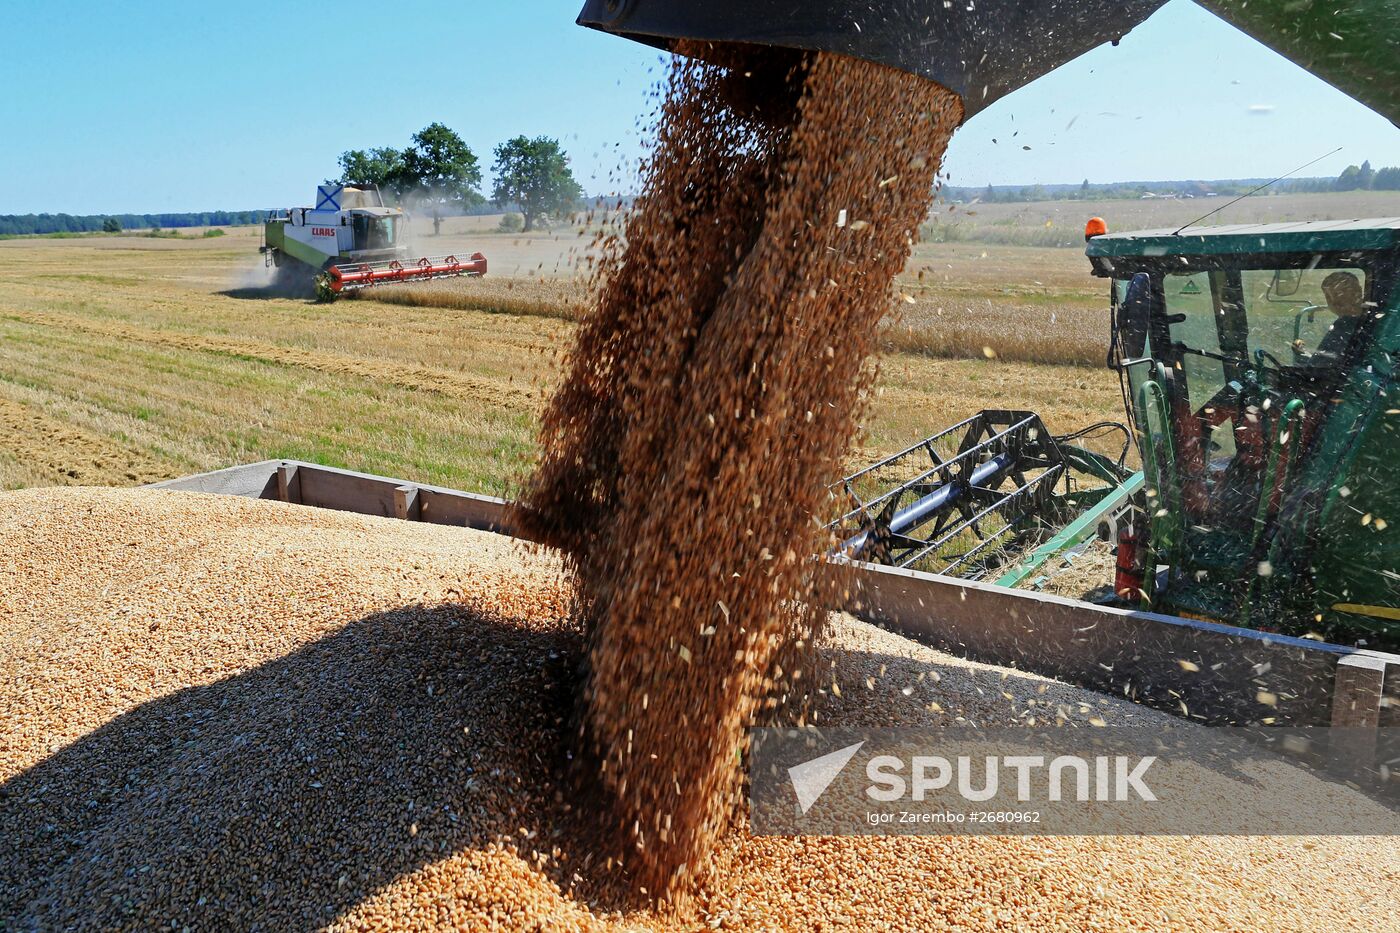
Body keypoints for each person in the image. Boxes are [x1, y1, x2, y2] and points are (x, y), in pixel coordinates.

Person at [1316, 270, 1367, 356]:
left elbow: (1322, 362)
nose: (1333, 301)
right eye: (1328, 296)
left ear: (1357, 292)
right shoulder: (1369, 315)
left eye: (1339, 293)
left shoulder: (1344, 325)